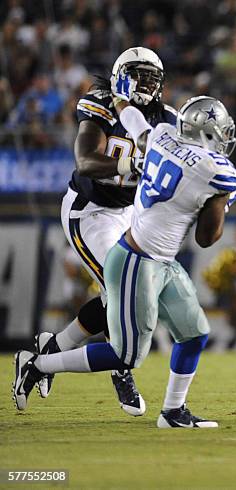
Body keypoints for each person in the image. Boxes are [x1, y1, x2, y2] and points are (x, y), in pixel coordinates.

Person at [13, 79, 236, 428]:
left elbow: (134, 120)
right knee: (126, 353)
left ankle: (173, 412)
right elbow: (208, 238)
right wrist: (220, 201)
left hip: (157, 256)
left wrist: (121, 100)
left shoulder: (161, 136)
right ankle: (39, 363)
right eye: (219, 132)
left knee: (194, 333)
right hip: (136, 258)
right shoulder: (212, 171)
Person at [32, 47, 177, 417]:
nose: (147, 83)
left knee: (131, 290)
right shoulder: (100, 104)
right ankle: (120, 368)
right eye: (140, 74)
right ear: (122, 76)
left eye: (152, 76)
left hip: (129, 212)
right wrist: (135, 163)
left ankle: (50, 351)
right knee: (124, 290)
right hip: (91, 211)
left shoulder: (166, 118)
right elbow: (86, 162)